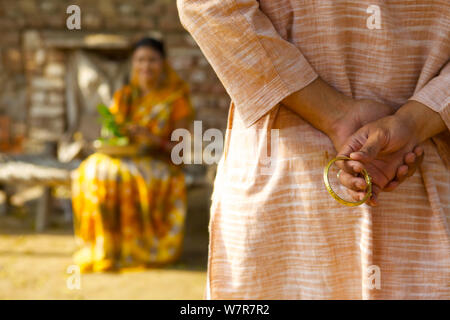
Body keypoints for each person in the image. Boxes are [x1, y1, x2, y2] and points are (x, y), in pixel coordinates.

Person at [177, 0, 449, 299]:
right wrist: (417, 120)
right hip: (424, 175)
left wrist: (333, 114)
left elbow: (207, 5)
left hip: (284, 180)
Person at [71, 37, 194, 272]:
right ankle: (106, 248)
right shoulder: (125, 96)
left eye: (152, 60)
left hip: (160, 162)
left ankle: (135, 250)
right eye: (140, 60)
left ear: (164, 63)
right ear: (133, 64)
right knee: (91, 170)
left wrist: (151, 138)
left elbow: (180, 150)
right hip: (124, 157)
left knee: (124, 177)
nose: (146, 66)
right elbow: (113, 133)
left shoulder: (176, 100)